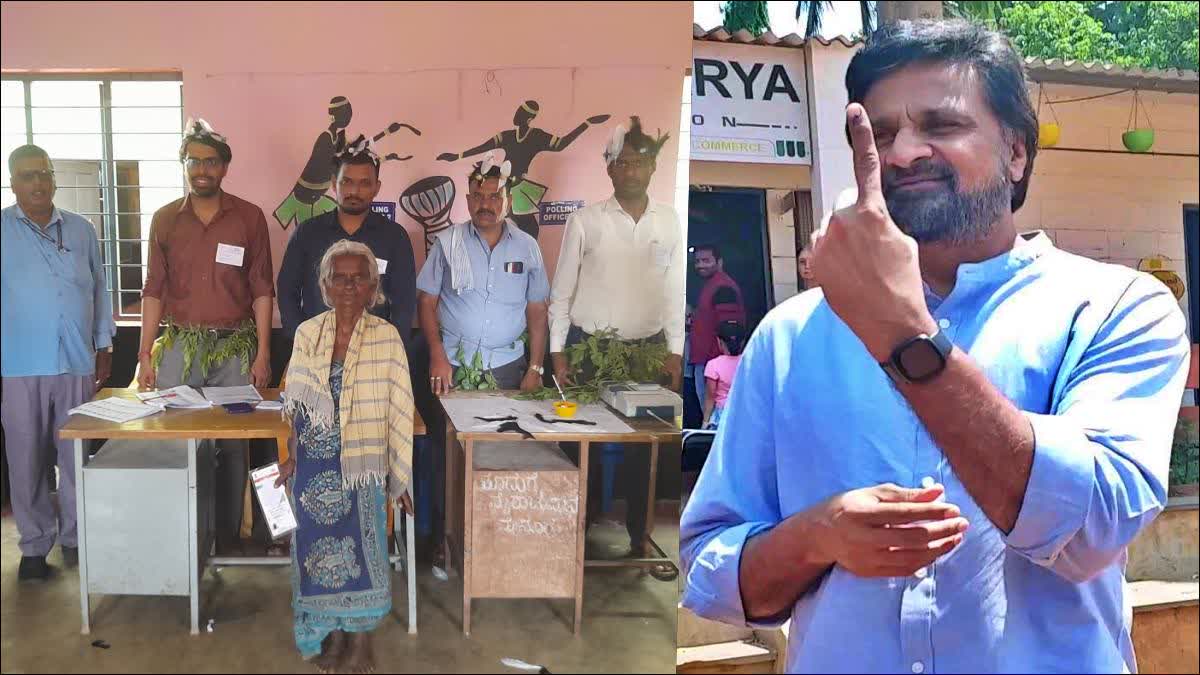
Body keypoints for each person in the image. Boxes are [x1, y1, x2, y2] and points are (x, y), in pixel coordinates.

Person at [680, 20, 1190, 674]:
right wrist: (817, 536)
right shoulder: (789, 337)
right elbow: (709, 570)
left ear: (1016, 154)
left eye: (941, 125)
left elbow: (1092, 528)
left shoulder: (1115, 308)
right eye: (881, 133)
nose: (902, 152)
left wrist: (902, 333)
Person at [275, 239, 414, 673]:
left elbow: (400, 408)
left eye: (359, 278)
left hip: (362, 468)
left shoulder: (386, 338)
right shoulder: (307, 333)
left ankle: (361, 641)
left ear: (373, 287)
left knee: (364, 552)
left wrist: (400, 477)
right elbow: (295, 404)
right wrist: (290, 458)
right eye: (341, 278)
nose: (349, 286)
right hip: (313, 469)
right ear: (325, 285)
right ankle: (330, 634)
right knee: (315, 555)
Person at [137, 118, 275, 554]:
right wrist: (145, 355)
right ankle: (184, 536)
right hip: (179, 347)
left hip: (234, 349)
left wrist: (263, 354)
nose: (201, 169)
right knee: (178, 438)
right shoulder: (164, 220)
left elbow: (262, 289)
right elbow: (153, 290)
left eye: (210, 161)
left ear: (224, 168)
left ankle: (229, 536)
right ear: (183, 165)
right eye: (193, 161)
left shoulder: (249, 218)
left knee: (234, 444)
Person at [549, 116, 684, 556]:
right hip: (589, 351)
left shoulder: (669, 221)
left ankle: (637, 534)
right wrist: (557, 352)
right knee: (581, 441)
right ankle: (576, 526)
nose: (631, 171)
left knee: (642, 451)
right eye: (622, 163)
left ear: (653, 169)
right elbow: (561, 292)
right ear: (609, 169)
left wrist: (675, 350)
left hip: (646, 353)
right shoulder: (585, 221)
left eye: (639, 163)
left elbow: (675, 289)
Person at [1, 144, 115, 581]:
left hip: (75, 362)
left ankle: (76, 538)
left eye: (45, 173)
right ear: (14, 183)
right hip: (18, 366)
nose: (39, 182)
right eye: (29, 175)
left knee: (75, 458)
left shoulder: (82, 230)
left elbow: (100, 290)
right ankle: (33, 547)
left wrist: (104, 346)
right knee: (25, 459)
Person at [417, 155, 550, 394]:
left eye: (495, 197)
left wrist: (535, 368)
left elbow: (537, 310)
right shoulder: (448, 242)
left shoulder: (527, 247)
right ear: (468, 200)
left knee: (505, 430)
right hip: (453, 364)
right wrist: (437, 355)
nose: (485, 205)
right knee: (452, 431)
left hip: (507, 364)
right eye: (478, 196)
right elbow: (426, 302)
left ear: (507, 201)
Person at [278, 135, 417, 346]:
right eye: (347, 182)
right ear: (334, 184)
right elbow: (287, 291)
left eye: (364, 183)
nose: (354, 191)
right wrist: (301, 340)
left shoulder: (394, 237)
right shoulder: (307, 233)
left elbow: (404, 303)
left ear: (377, 187)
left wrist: (392, 348)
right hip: (317, 348)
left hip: (375, 350)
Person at [437, 101, 610, 239]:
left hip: (517, 187)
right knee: (491, 223)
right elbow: (482, 147)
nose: (516, 116)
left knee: (528, 228)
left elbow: (561, 144)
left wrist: (587, 123)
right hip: (502, 185)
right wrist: (457, 156)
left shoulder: (537, 136)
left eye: (520, 113)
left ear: (527, 118)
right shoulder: (507, 136)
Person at [690, 244, 746, 409]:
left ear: (719, 262)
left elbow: (731, 328)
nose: (700, 265)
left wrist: (722, 365)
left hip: (714, 364)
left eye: (706, 260)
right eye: (698, 261)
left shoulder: (723, 287)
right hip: (706, 361)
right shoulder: (711, 285)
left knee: (716, 416)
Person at [701, 321, 746, 430]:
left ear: (719, 341)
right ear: (743, 342)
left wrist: (705, 424)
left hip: (721, 418)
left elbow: (710, 398)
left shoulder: (713, 365)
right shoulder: (750, 363)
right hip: (744, 415)